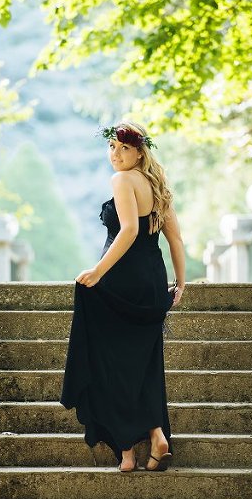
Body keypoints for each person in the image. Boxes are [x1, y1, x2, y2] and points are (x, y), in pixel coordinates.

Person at [60, 120, 185, 473]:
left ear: (139, 151)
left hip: (122, 279)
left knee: (108, 363)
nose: (115, 154)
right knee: (141, 363)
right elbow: (175, 239)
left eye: (124, 148)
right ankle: (152, 439)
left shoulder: (122, 181)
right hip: (152, 281)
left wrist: (98, 272)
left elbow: (128, 230)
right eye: (112, 147)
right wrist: (181, 282)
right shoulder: (157, 185)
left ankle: (128, 449)